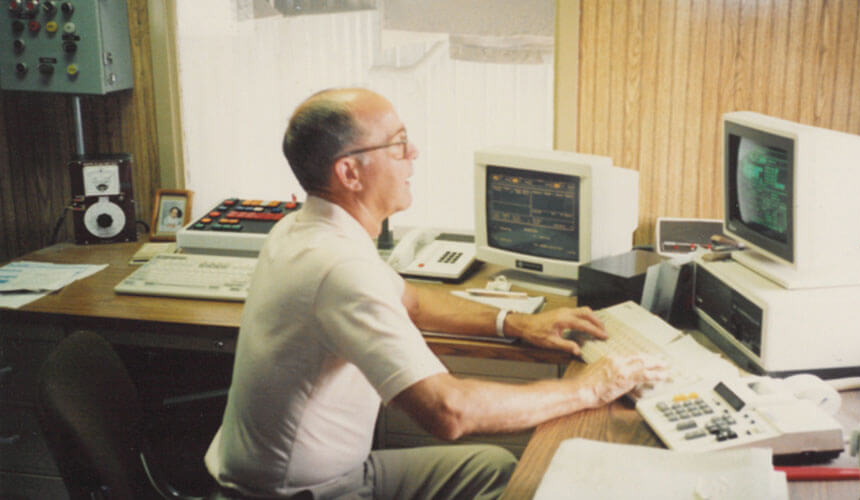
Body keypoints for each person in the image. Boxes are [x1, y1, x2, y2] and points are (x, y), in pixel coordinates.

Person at [203, 88, 667, 499]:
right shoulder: (338, 266)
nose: (414, 153)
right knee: (528, 483)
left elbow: (415, 301)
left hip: (336, 474)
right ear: (349, 173)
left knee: (496, 470)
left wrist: (516, 323)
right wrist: (590, 389)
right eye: (398, 144)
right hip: (304, 493)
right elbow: (450, 412)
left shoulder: (305, 230)